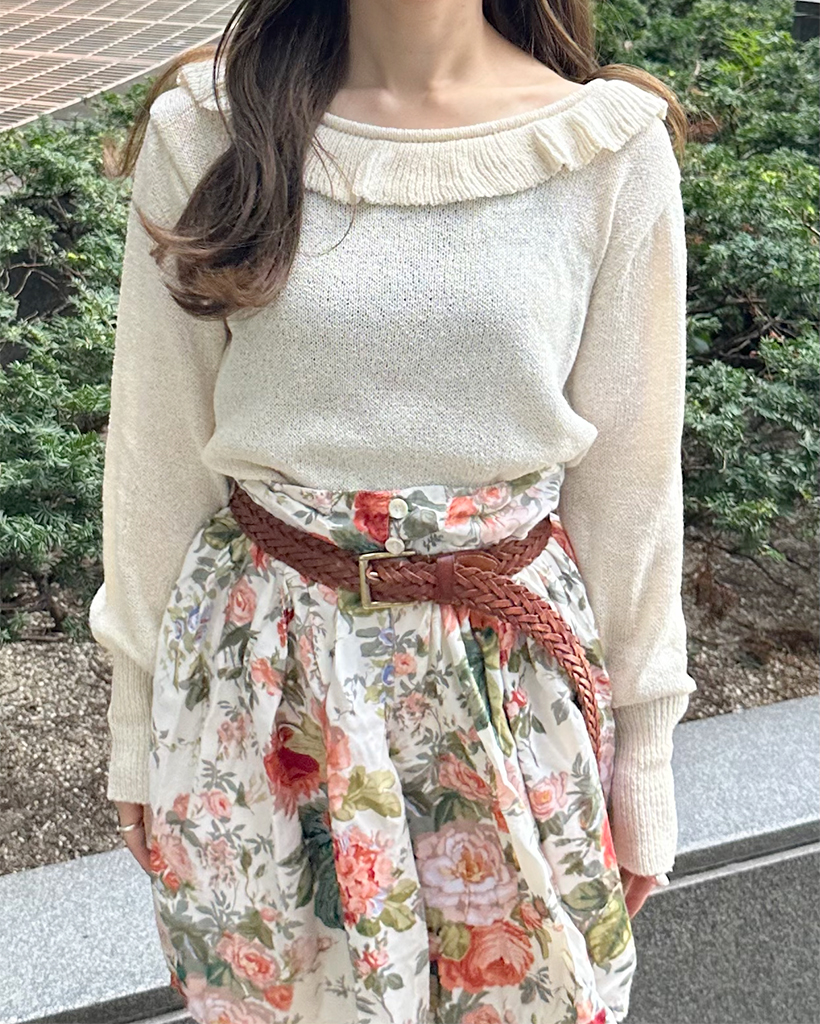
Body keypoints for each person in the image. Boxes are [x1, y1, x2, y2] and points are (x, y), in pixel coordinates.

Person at [89, 1, 695, 1022]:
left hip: (511, 687)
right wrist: (134, 724)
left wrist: (648, 755)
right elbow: (155, 451)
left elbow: (631, 485)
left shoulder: (605, 151)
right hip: (263, 688)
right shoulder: (208, 129)